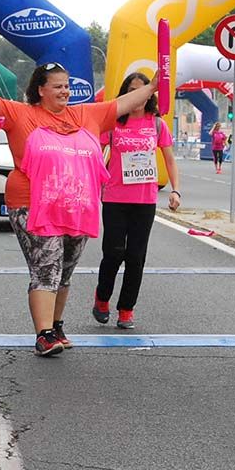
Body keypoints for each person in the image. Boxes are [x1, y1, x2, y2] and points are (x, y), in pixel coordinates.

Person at [0, 57, 159, 357]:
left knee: (64, 272)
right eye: (58, 87)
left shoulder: (86, 114)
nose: (65, 91)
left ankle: (56, 325)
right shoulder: (20, 114)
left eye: (67, 86)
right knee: (46, 268)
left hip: (75, 207)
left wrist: (152, 86)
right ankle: (44, 334)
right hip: (31, 204)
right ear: (40, 90)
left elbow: (123, 103)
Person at [92, 72, 180, 330]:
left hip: (145, 199)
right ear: (125, 93)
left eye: (143, 91)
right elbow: (95, 153)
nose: (138, 97)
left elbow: (170, 159)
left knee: (136, 256)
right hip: (115, 197)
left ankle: (127, 309)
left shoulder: (157, 124)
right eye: (132, 90)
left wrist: (176, 190)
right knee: (113, 253)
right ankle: (102, 299)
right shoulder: (113, 123)